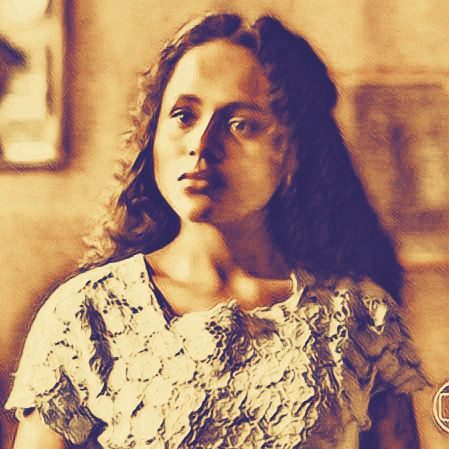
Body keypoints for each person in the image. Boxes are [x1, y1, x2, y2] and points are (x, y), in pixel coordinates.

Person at [5, 13, 428, 449]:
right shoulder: (87, 313)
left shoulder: (360, 316)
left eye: (239, 124)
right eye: (183, 116)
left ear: (291, 152)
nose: (201, 144)